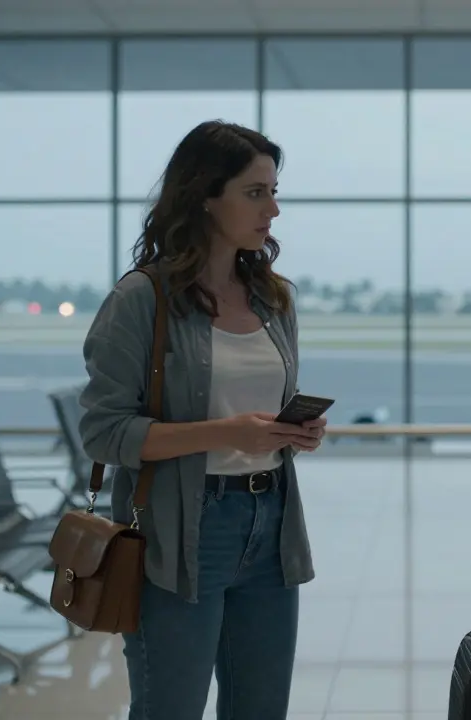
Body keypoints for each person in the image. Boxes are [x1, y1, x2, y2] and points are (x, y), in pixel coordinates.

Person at [78, 120, 327, 720]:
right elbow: (103, 432)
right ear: (205, 197)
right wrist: (227, 433)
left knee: (261, 709)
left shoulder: (274, 298)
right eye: (255, 192)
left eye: (273, 190)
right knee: (170, 708)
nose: (273, 208)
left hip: (271, 526)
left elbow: (260, 415)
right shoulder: (143, 299)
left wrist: (295, 434)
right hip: (180, 530)